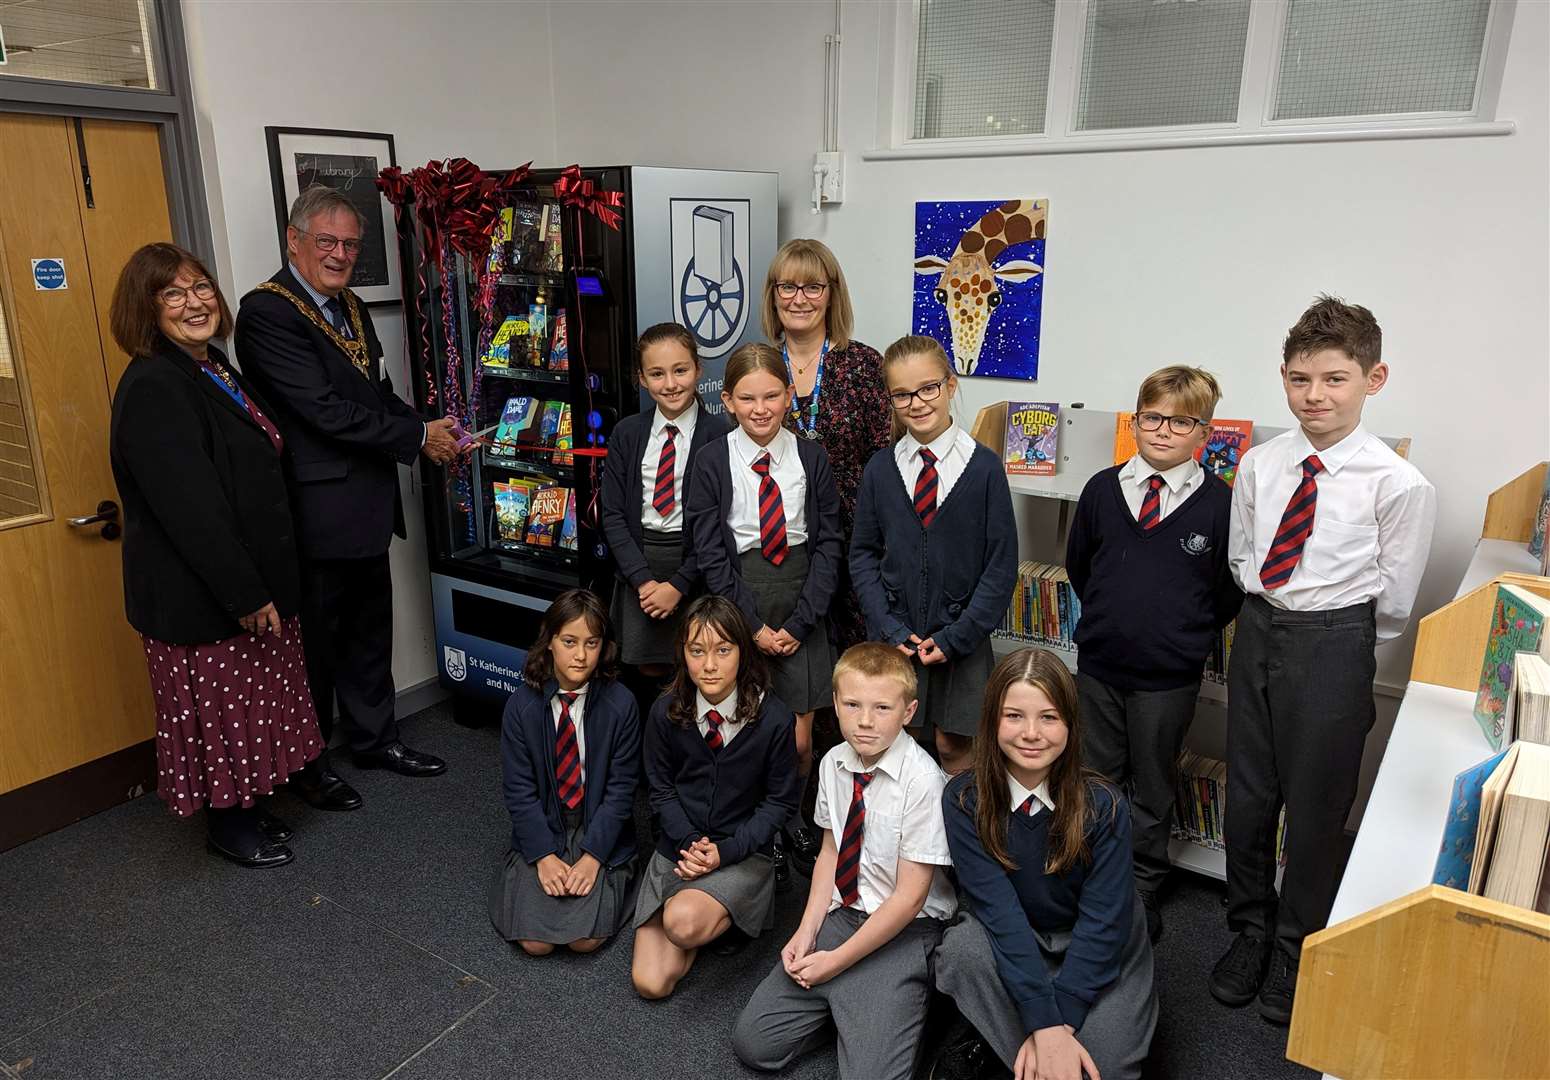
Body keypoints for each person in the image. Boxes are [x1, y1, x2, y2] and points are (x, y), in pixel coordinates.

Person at [1212, 296, 1436, 1024]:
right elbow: (1244, 555)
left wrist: (1339, 645)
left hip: (1337, 641)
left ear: (1374, 379)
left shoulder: (1397, 484)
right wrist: (1267, 614)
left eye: (1335, 379)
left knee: (1315, 805)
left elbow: (1396, 600)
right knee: (1249, 794)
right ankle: (1248, 926)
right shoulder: (1259, 463)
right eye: (1301, 379)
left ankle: (1294, 942)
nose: (1316, 396)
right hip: (1259, 626)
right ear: (1283, 377)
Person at [234, 186, 462, 811]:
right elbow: (323, 411)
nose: (339, 254)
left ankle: (375, 740)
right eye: (326, 242)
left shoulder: (350, 307)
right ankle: (310, 766)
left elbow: (375, 393)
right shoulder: (265, 314)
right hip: (313, 512)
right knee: (314, 648)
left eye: (350, 244)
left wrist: (427, 427)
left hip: (365, 503)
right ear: (294, 241)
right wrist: (414, 437)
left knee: (368, 633)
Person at [108, 242, 323, 868]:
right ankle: (229, 826)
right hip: (202, 598)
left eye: (200, 287)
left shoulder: (209, 364)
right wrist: (248, 593)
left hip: (247, 579)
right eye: (172, 294)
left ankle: (251, 807)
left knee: (251, 707)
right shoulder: (153, 385)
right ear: (146, 311)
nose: (194, 302)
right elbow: (191, 513)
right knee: (221, 716)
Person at [1064, 366, 1243, 941]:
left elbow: (1226, 592)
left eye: (1180, 421)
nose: (1163, 430)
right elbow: (1079, 567)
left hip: (1168, 678)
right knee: (1096, 776)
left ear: (1204, 433)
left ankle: (1141, 883)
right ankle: (1093, 873)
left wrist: (1179, 633)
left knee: (1154, 782)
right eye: (1153, 417)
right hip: (1099, 666)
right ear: (1136, 421)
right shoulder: (1100, 489)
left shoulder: (1222, 505)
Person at [732, 643, 956, 1080]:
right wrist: (808, 929)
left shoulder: (924, 780)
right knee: (754, 1043)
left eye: (882, 707)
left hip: (905, 929)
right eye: (852, 705)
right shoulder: (834, 762)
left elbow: (910, 899)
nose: (865, 721)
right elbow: (831, 852)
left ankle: (895, 1007)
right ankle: (853, 1007)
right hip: (846, 912)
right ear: (835, 703)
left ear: (908, 711)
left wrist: (835, 962)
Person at [932, 647, 1157, 1080]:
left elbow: (1103, 923)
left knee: (1101, 1069)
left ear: (1071, 726)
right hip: (1017, 936)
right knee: (961, 952)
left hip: (1093, 941)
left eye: (1049, 717)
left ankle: (1012, 1039)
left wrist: (1060, 1021)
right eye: (1014, 716)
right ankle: (1021, 1036)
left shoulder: (1105, 806)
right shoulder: (963, 799)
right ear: (991, 721)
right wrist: (1047, 1026)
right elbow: (1000, 913)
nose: (1031, 733)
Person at [687, 342, 841, 886]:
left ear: (788, 395)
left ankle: (792, 817)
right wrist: (750, 626)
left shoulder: (812, 457)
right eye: (747, 398)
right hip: (740, 598)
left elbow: (828, 546)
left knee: (799, 740)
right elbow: (710, 551)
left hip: (800, 600)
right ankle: (757, 830)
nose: (760, 408)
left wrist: (799, 623)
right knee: (747, 727)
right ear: (727, 400)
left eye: (772, 395)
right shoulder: (711, 460)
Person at [849, 335, 1016, 776]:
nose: (917, 403)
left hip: (963, 639)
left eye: (929, 388)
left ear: (950, 385)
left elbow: (1000, 567)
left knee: (954, 747)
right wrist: (887, 627)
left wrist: (957, 637)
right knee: (895, 749)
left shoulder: (984, 469)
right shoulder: (880, 469)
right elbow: (863, 555)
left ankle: (956, 841)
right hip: (896, 638)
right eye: (902, 394)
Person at [631, 596, 799, 1000]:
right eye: (697, 651)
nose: (709, 665)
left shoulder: (773, 717)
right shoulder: (665, 711)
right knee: (650, 984)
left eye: (723, 650)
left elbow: (779, 803)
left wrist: (723, 853)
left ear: (742, 651)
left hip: (741, 852)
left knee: (682, 924)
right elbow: (661, 789)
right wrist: (690, 844)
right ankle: (705, 917)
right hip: (680, 849)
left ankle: (720, 915)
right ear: (682, 654)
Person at [488, 589, 640, 955]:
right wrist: (542, 855)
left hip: (598, 822)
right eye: (569, 641)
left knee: (584, 941)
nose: (581, 655)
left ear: (604, 647)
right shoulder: (520, 707)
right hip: (546, 822)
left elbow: (621, 791)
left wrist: (593, 858)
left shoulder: (622, 704)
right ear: (550, 641)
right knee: (535, 943)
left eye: (592, 642)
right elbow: (519, 791)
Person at [763, 239, 891, 652]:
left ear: (832, 293)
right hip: (781, 536)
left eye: (813, 287)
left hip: (854, 535)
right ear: (773, 295)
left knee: (853, 654)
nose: (799, 299)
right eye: (788, 287)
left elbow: (882, 461)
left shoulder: (865, 364)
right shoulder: (757, 365)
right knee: (793, 653)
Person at [601, 323, 730, 690]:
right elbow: (612, 515)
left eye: (681, 370)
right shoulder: (627, 434)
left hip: (695, 563)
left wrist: (678, 584)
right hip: (639, 564)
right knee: (643, 671)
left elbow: (720, 523)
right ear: (642, 378)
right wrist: (643, 581)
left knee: (695, 668)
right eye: (657, 374)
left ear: (698, 370)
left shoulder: (719, 435)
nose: (670, 384)